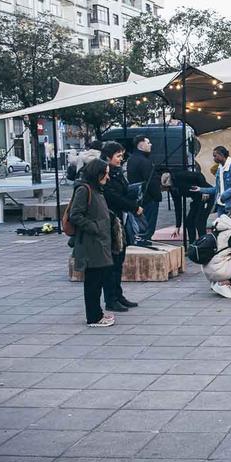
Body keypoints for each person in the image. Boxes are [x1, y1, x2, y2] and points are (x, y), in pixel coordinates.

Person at [68, 159, 117, 327]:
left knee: (98, 278)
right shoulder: (85, 189)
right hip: (91, 242)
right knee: (93, 281)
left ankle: (97, 313)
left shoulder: (97, 189)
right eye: (105, 174)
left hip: (100, 241)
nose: (107, 177)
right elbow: (75, 215)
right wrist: (95, 227)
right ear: (97, 174)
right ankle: (94, 317)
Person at [99, 141, 141, 312]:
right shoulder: (105, 174)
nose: (121, 159)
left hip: (120, 220)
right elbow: (112, 197)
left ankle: (118, 295)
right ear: (108, 157)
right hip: (110, 221)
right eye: (118, 156)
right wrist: (133, 206)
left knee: (119, 261)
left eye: (122, 155)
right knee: (112, 263)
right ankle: (111, 299)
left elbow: (122, 192)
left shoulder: (117, 172)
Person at [127, 135, 162, 246]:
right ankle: (144, 243)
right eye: (148, 142)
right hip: (148, 197)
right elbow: (151, 181)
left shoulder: (132, 159)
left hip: (137, 197)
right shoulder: (144, 161)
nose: (150, 144)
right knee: (147, 226)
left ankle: (141, 242)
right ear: (141, 145)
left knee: (140, 224)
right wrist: (157, 196)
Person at [170, 168, 213, 243]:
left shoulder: (179, 176)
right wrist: (178, 226)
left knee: (199, 222)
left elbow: (199, 175)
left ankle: (203, 244)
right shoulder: (173, 190)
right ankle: (192, 244)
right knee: (189, 222)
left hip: (207, 195)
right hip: (197, 198)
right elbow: (178, 207)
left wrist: (204, 190)